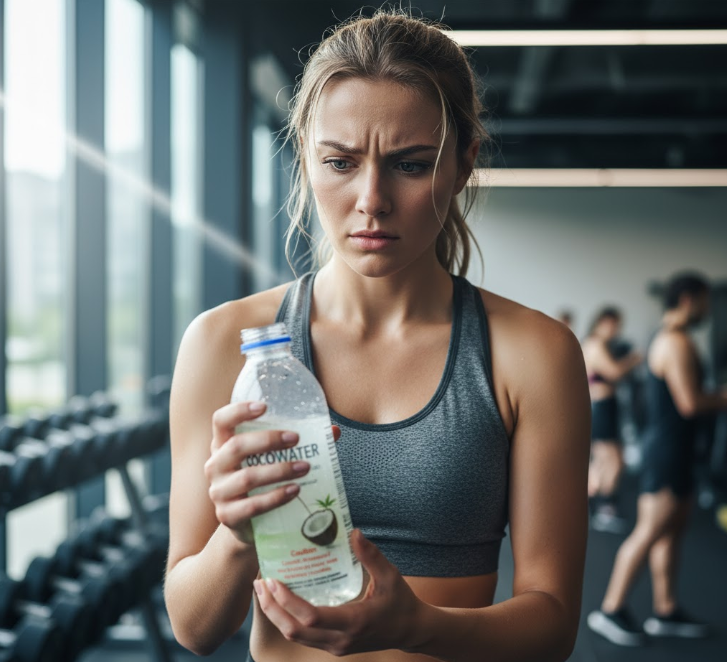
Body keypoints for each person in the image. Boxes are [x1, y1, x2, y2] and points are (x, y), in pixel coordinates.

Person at [164, 10, 591, 662]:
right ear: (304, 157)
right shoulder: (223, 343)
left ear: (461, 165)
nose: (371, 199)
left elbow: (552, 626)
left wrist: (417, 627)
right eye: (339, 161)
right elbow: (194, 629)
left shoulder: (531, 354)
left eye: (410, 166)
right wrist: (235, 537)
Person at [588, 272, 727, 646]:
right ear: (688, 299)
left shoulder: (672, 340)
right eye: (703, 301)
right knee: (650, 531)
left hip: (678, 450)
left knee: (671, 531)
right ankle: (610, 610)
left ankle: (665, 610)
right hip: (665, 451)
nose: (705, 309)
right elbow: (690, 402)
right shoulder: (675, 342)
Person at [581, 307, 641, 533]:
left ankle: (590, 506)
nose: (614, 329)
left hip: (604, 407)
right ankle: (605, 509)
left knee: (602, 461)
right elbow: (614, 372)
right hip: (600, 407)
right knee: (615, 460)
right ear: (600, 323)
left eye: (617, 325)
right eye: (611, 324)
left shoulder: (600, 345)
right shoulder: (595, 344)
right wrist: (633, 359)